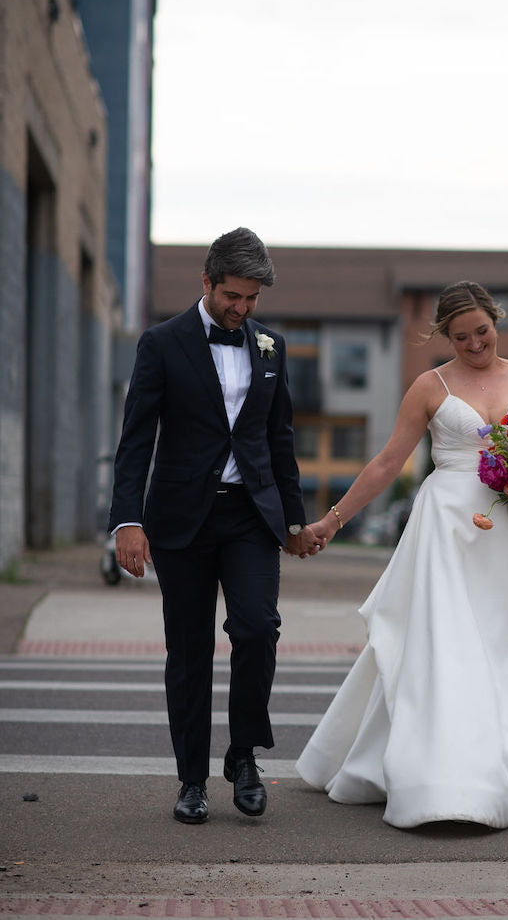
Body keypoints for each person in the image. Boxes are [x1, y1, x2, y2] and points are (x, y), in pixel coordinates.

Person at [297, 281, 508, 829]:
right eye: (460, 337)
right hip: (449, 533)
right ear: (443, 336)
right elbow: (388, 462)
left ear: (495, 321)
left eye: (482, 331)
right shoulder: (428, 387)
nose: (474, 344)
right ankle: (450, 768)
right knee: (452, 646)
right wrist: (332, 521)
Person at [109, 227, 319, 825]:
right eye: (233, 295)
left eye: (252, 299)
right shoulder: (162, 343)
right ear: (206, 282)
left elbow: (280, 440)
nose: (243, 308)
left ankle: (244, 756)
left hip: (251, 514)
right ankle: (192, 780)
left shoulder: (272, 347)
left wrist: (295, 518)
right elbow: (135, 439)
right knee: (190, 649)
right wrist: (127, 520)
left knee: (256, 629)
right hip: (180, 520)